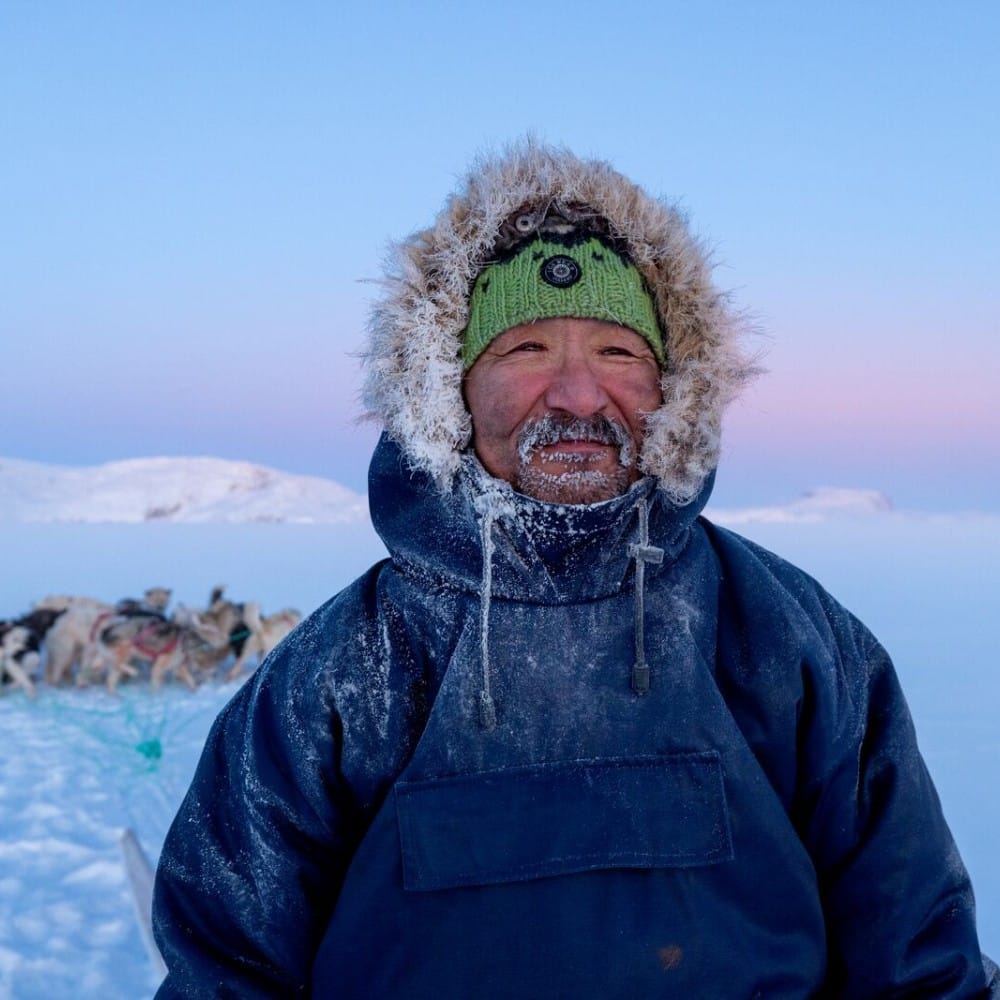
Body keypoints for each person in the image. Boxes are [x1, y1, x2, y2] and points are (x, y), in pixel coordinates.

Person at [152, 140, 997, 998]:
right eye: (525, 350)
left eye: (620, 354)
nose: (580, 396)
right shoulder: (340, 673)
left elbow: (920, 959)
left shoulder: (789, 640)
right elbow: (228, 968)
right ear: (450, 390)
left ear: (676, 388)